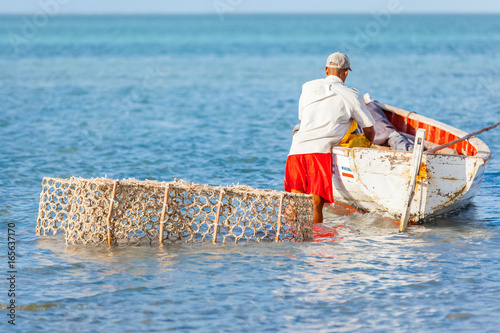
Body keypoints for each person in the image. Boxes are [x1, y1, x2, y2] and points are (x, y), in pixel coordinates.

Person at [284, 52, 376, 224]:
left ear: (326, 70)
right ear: (346, 72)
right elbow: (369, 128)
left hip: (296, 150)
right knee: (315, 204)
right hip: (318, 154)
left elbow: (302, 118)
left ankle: (291, 239)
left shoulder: (308, 87)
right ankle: (315, 245)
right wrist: (368, 142)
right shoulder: (352, 95)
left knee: (294, 202)